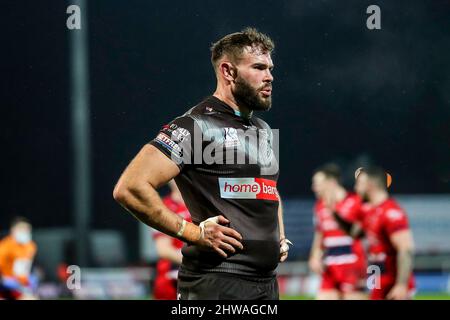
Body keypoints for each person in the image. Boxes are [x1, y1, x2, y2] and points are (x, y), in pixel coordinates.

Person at [114, 27, 291, 300]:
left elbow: (268, 189)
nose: (270, 77)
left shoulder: (263, 129)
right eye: (258, 67)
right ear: (228, 72)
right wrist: (192, 233)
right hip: (217, 283)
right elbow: (130, 187)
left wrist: (278, 236)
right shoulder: (196, 125)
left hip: (266, 284)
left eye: (269, 67)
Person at [336, 166, 416, 300]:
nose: (356, 188)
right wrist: (335, 213)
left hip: (392, 283)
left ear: (370, 185)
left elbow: (406, 249)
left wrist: (401, 285)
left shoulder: (391, 213)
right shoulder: (369, 212)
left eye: (359, 184)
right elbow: (354, 234)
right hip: (376, 278)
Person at [309, 164, 367, 300]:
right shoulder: (319, 206)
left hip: (353, 268)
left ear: (331, 182)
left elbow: (365, 235)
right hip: (329, 269)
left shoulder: (355, 202)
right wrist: (315, 256)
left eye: (318, 184)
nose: (314, 188)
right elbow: (320, 235)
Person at [152, 180, 191, 300]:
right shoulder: (163, 207)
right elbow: (163, 250)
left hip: (201, 280)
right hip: (170, 284)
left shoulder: (205, 204)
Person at [0, 217, 38, 300]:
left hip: (21, 285)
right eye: (22, 229)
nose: (25, 231)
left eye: (27, 229)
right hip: (5, 286)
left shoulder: (31, 246)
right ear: (13, 230)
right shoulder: (4, 247)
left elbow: (25, 268)